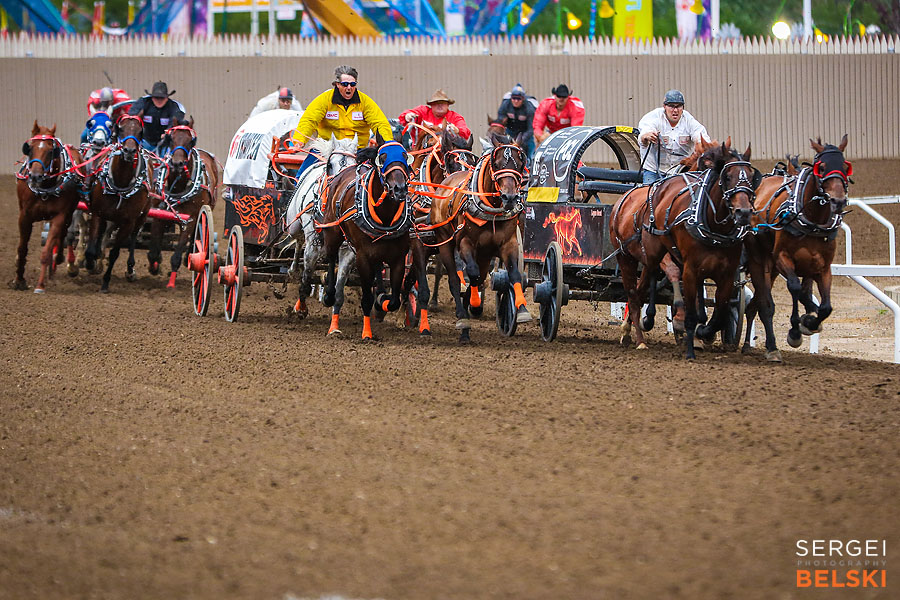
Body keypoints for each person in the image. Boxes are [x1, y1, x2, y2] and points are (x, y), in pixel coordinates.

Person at [291, 65, 394, 176]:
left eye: (352, 84)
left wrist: (387, 143)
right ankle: (296, 188)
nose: (349, 87)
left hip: (357, 150)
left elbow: (379, 123)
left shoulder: (365, 102)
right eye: (345, 84)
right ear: (337, 84)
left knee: (377, 177)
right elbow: (309, 120)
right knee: (302, 175)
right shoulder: (324, 100)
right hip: (327, 148)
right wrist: (299, 141)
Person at [637, 89, 710, 184]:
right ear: (664, 106)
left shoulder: (689, 121)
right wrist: (647, 136)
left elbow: (700, 135)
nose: (675, 110)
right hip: (654, 170)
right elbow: (644, 134)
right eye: (671, 106)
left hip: (679, 170)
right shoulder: (653, 118)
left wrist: (700, 145)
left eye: (678, 106)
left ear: (683, 107)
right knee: (648, 195)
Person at [127, 81, 187, 153]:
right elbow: (132, 116)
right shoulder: (143, 102)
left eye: (162, 98)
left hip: (165, 143)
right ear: (152, 97)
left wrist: (168, 131)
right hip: (144, 142)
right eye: (156, 97)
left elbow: (176, 119)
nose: (159, 100)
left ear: (167, 98)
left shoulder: (173, 106)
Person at [399, 89, 471, 143]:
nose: (439, 105)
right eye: (436, 103)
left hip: (445, 154)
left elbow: (465, 132)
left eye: (442, 103)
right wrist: (407, 116)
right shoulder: (422, 111)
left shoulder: (455, 117)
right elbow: (404, 116)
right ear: (431, 105)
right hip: (421, 153)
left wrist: (457, 130)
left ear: (448, 105)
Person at [496, 83, 537, 162]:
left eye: (518, 99)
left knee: (532, 155)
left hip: (525, 134)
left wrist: (521, 140)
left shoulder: (529, 108)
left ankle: (529, 164)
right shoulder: (506, 105)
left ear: (523, 99)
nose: (516, 101)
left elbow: (531, 129)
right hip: (510, 132)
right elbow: (500, 122)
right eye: (513, 98)